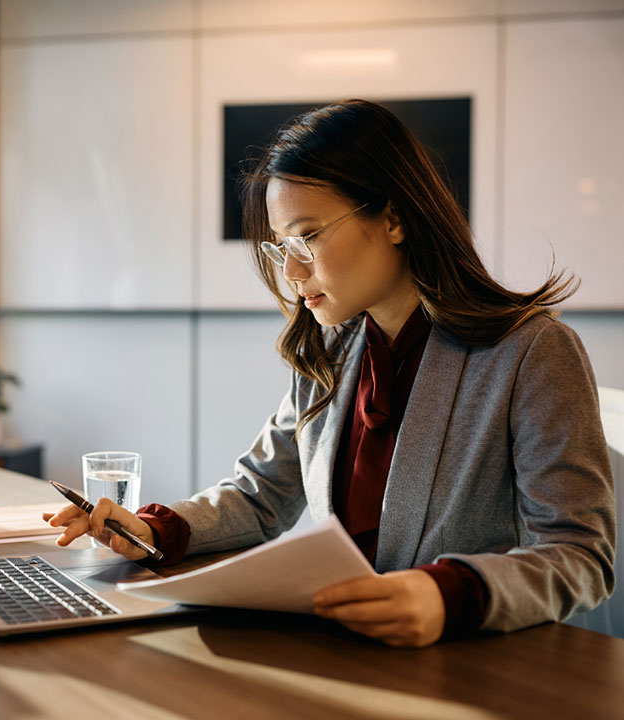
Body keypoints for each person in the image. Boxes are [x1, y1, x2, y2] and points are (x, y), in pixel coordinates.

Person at [43, 99, 616, 648]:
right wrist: (151, 531)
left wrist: (447, 594)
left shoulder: (532, 352)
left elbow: (579, 553)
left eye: (309, 237)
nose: (291, 270)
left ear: (393, 218)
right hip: (347, 651)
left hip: (473, 664)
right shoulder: (331, 349)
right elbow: (261, 496)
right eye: (281, 246)